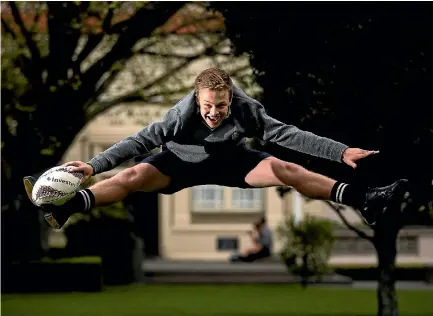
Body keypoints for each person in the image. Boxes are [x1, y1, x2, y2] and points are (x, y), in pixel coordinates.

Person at [24, 67, 408, 230]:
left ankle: (366, 199)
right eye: (207, 106)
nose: (213, 113)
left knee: (284, 168)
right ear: (197, 98)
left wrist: (341, 152)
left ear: (229, 98)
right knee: (133, 173)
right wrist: (92, 165)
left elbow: (287, 134)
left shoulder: (245, 109)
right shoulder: (180, 115)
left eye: (220, 106)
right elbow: (139, 140)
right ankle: (69, 206)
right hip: (180, 162)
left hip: (230, 161)